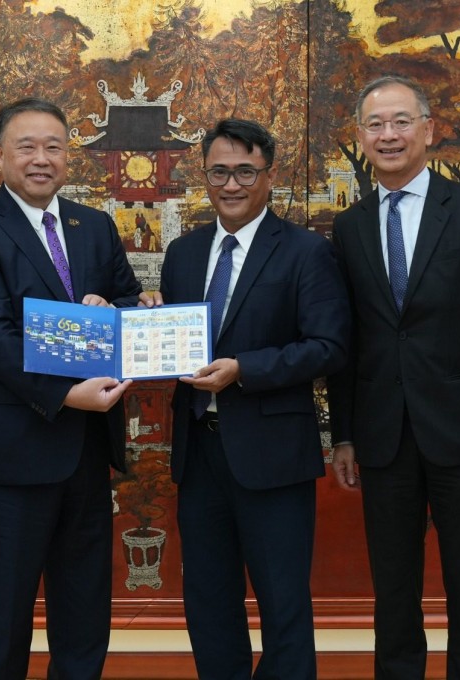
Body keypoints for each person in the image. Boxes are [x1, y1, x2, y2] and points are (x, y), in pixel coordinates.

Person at [328, 75, 460, 680]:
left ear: (428, 130)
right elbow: (348, 341)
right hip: (382, 434)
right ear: (361, 136)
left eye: (401, 122)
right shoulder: (350, 225)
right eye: (375, 125)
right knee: (393, 588)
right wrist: (344, 434)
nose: (388, 135)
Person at [0, 97, 143, 679]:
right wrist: (63, 395)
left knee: (84, 611)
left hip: (86, 451)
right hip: (13, 453)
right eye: (26, 147)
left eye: (53, 147)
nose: (41, 159)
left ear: (67, 156)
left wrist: (115, 309)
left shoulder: (94, 225)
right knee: (3, 618)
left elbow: (128, 300)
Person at [151, 118, 349, 679]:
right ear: (205, 176)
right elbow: (177, 341)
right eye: (219, 172)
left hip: (273, 454)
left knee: (283, 604)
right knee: (208, 602)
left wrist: (244, 370)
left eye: (245, 171)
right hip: (199, 455)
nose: (231, 185)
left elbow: (329, 347)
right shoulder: (184, 253)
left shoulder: (306, 251)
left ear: (268, 175)